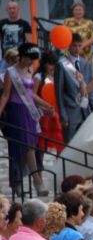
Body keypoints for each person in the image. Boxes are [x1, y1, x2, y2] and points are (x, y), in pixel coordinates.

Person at [0, 43, 53, 195]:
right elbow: (5, 95)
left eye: (34, 60)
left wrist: (45, 105)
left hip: (29, 112)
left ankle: (16, 181)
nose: (32, 62)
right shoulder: (10, 72)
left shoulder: (29, 70)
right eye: (30, 59)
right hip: (16, 111)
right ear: (22, 56)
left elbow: (31, 94)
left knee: (26, 146)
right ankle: (38, 181)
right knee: (27, 145)